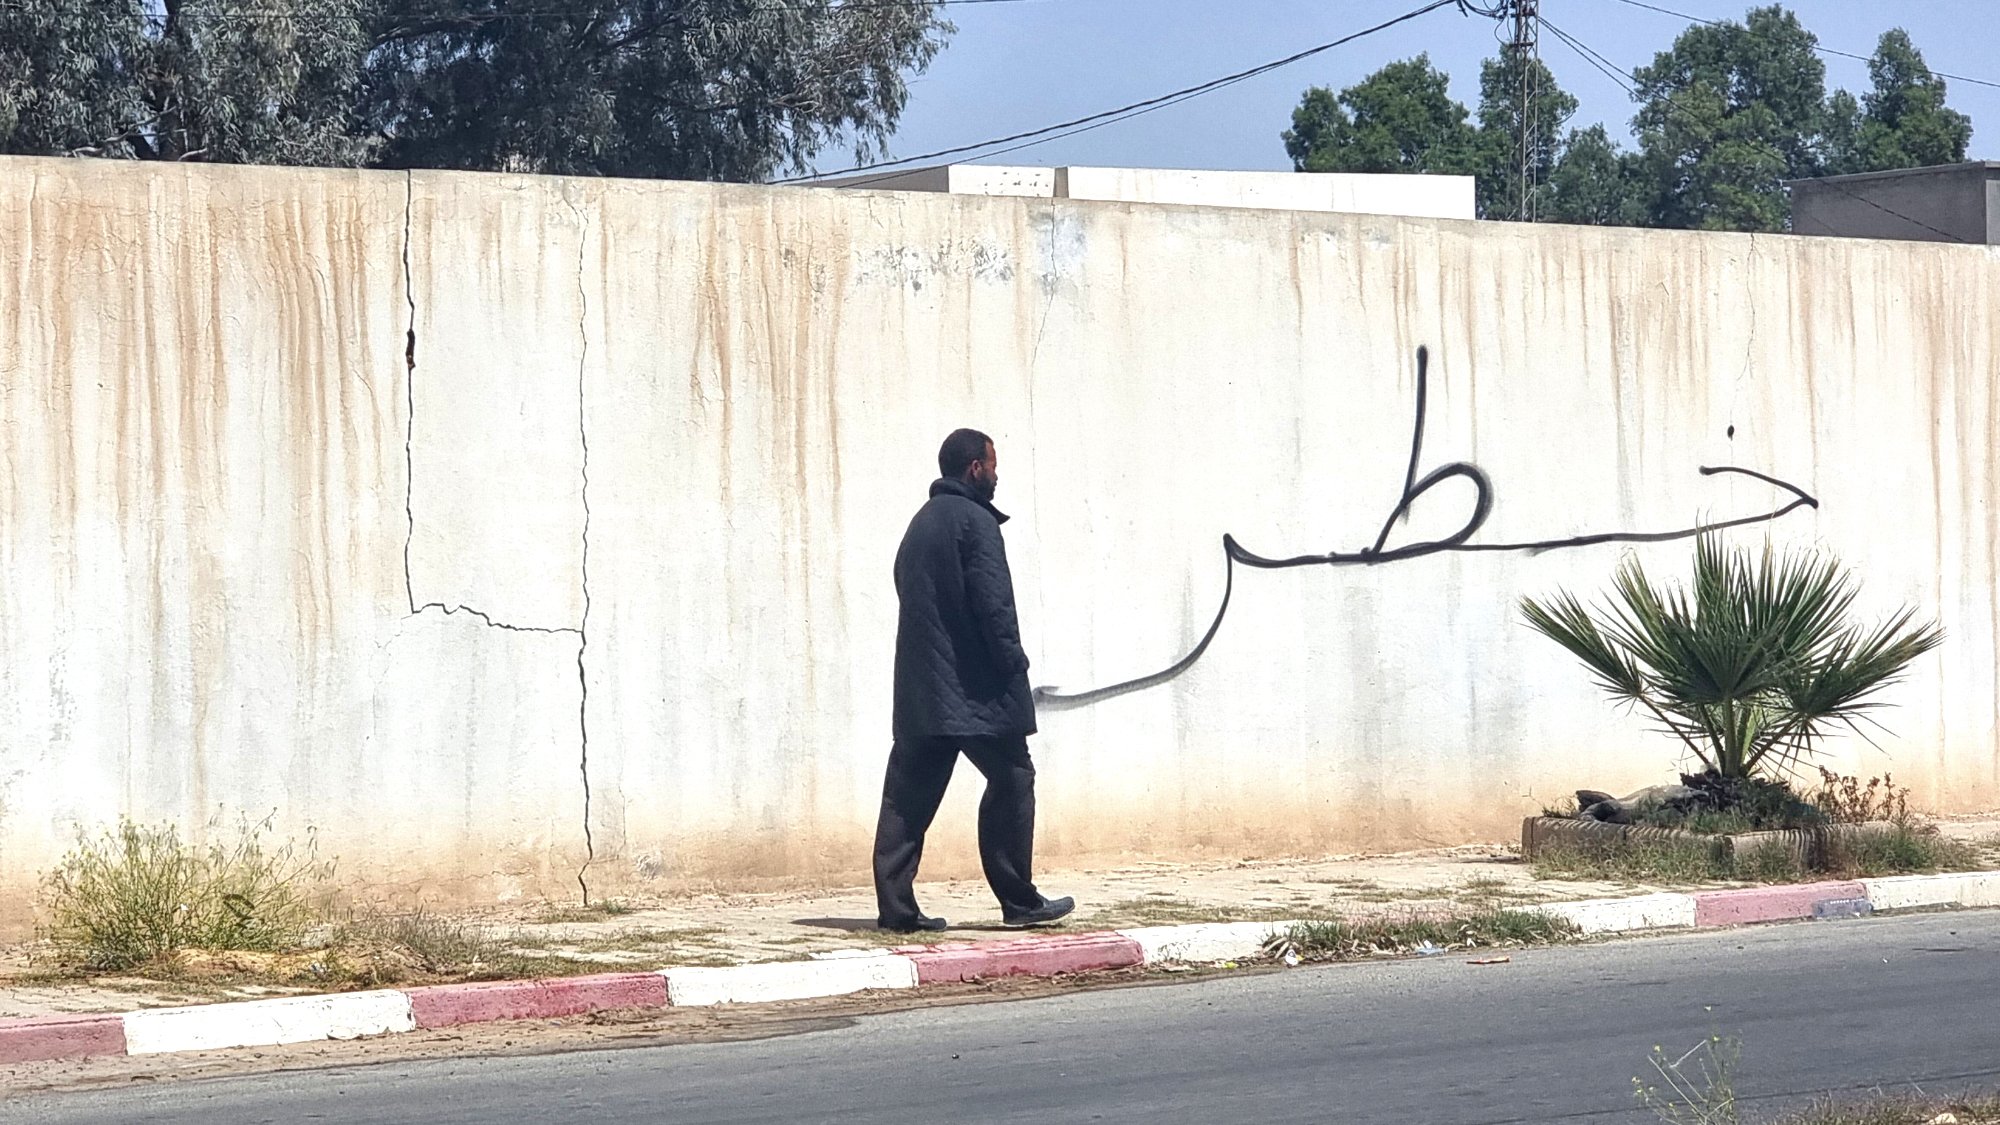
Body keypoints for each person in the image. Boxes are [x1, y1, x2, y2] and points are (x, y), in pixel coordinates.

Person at [871, 428, 1075, 933]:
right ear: (975, 468)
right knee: (1013, 778)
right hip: (975, 689)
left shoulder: (920, 524)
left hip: (921, 690)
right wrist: (1013, 663)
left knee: (907, 797)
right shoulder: (976, 522)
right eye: (993, 465)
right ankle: (1019, 902)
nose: (997, 475)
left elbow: (906, 588)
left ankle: (897, 911)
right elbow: (993, 603)